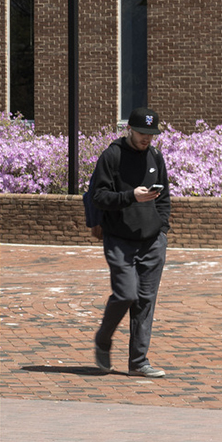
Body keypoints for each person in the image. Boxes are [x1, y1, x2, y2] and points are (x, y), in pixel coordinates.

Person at [86, 107, 171, 378]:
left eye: (151, 134)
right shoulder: (112, 156)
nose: (146, 138)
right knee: (126, 294)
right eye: (142, 133)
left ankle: (138, 362)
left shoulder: (155, 156)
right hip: (120, 239)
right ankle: (103, 339)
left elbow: (165, 196)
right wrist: (129, 196)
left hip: (152, 241)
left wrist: (163, 229)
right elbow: (98, 196)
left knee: (146, 301)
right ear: (129, 130)